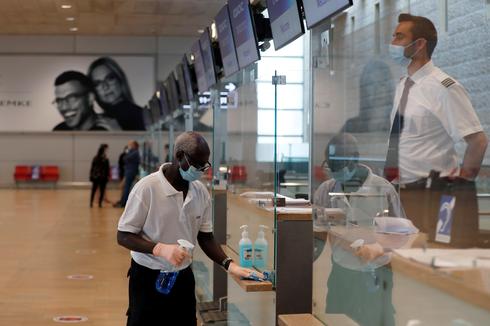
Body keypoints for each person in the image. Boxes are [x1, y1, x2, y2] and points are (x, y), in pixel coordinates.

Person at [117, 131, 255, 325]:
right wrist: (159, 249)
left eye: (205, 165)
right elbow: (123, 235)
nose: (202, 170)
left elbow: (205, 237)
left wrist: (229, 264)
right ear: (179, 156)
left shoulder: (200, 193)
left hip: (182, 276)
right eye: (198, 164)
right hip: (147, 276)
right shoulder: (147, 189)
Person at [313, 133, 405, 326]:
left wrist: (376, 249)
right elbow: (318, 237)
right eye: (331, 165)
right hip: (341, 274)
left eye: (339, 164)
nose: (335, 171)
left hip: (376, 274)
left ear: (354, 158)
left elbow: (400, 235)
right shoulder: (325, 190)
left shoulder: (383, 190)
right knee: (335, 322)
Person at [385, 13, 487, 184]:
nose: (393, 43)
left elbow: (478, 141)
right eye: (393, 36)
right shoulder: (403, 85)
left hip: (430, 193)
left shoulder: (444, 87)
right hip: (397, 188)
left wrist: (459, 188)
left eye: (399, 37)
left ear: (420, 44)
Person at [88, 57, 146, 131]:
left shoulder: (142, 115)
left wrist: (119, 134)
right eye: (98, 83)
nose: (105, 86)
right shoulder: (98, 120)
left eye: (110, 78)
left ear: (120, 79)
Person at [52, 71, 119, 131]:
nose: (64, 107)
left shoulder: (111, 130)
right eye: (59, 101)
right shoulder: (59, 130)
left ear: (90, 98)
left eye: (71, 98)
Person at [114, 140, 140, 208]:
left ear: (134, 145)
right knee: (126, 187)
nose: (129, 146)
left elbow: (125, 158)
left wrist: (127, 152)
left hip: (131, 171)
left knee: (126, 187)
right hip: (129, 171)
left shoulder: (135, 152)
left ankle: (124, 202)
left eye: (130, 144)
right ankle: (122, 201)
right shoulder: (133, 152)